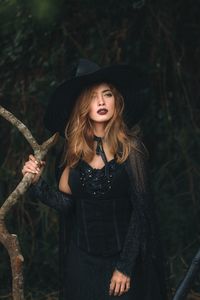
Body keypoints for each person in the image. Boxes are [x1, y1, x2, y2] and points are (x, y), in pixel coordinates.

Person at [22, 59, 168, 300]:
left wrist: (124, 267)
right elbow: (68, 205)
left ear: (116, 101)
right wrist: (37, 183)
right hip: (82, 263)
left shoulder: (131, 149)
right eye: (92, 96)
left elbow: (142, 211)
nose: (101, 101)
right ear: (83, 106)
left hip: (123, 261)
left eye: (107, 94)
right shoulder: (73, 152)